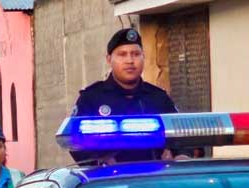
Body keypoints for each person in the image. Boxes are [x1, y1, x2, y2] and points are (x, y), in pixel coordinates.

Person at [70, 28, 180, 164]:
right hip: (107, 181)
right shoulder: (92, 99)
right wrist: (99, 160)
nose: (130, 60)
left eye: (135, 54)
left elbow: (183, 137)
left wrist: (178, 154)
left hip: (154, 180)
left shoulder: (158, 98)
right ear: (109, 59)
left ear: (143, 57)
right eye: (122, 54)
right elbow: (74, 141)